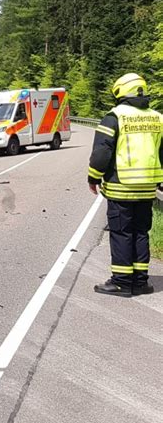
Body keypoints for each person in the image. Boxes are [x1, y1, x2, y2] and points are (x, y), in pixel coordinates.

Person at [88, 73, 163, 297]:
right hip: (148, 187)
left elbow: (102, 153)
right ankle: (140, 282)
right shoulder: (158, 118)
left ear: (119, 91)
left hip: (121, 186)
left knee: (121, 233)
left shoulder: (114, 117)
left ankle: (121, 282)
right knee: (141, 232)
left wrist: (93, 177)